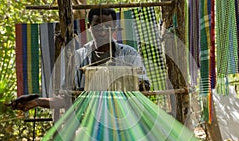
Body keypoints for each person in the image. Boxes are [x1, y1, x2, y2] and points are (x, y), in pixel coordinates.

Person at [11, 8, 150, 111]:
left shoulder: (129, 55)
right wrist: (37, 101)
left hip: (125, 121)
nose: (102, 31)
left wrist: (136, 84)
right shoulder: (78, 57)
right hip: (90, 123)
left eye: (107, 27)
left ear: (114, 28)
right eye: (97, 26)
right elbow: (67, 98)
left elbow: (144, 90)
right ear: (89, 27)